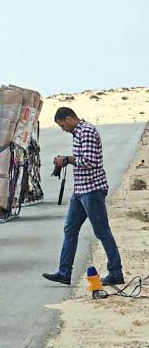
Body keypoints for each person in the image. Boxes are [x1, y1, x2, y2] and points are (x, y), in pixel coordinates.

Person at [42, 107, 124, 286]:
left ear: (69, 118)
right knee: (70, 229)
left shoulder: (86, 131)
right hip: (80, 191)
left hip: (92, 190)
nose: (63, 129)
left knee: (102, 231)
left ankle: (116, 272)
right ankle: (64, 272)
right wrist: (66, 159)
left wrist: (68, 160)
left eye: (63, 125)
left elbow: (90, 161)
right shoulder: (78, 132)